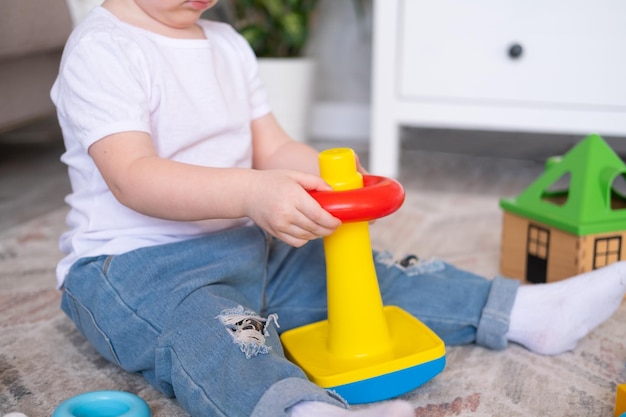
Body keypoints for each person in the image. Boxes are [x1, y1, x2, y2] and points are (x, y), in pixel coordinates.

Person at [50, 1, 626, 416]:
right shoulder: (104, 50)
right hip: (138, 267)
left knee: (362, 277)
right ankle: (300, 410)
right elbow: (135, 178)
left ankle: (522, 313)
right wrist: (253, 191)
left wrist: (339, 181)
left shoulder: (227, 45)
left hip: (252, 247)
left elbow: (272, 147)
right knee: (217, 335)